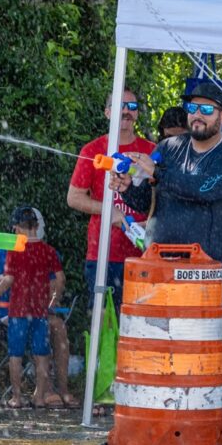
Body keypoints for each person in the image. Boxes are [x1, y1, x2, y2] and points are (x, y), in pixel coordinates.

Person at [110, 82, 222, 407]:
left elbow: (203, 189)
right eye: (192, 109)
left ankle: (198, 424)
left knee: (197, 362)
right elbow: (153, 196)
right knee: (158, 357)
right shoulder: (169, 147)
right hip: (158, 269)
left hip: (207, 274)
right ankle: (158, 425)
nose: (197, 116)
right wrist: (127, 188)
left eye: (206, 110)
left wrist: (157, 173)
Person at [68, 89, 155, 308]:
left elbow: (161, 198)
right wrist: (110, 211)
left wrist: (150, 221)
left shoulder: (150, 151)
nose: (127, 111)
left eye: (132, 107)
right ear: (107, 113)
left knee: (140, 324)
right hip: (103, 254)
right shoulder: (92, 150)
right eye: (120, 106)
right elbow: (74, 198)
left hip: (144, 252)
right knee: (103, 324)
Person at [0, 206, 65, 409]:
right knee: (41, 354)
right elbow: (60, 278)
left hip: (18, 312)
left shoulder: (15, 250)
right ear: (37, 227)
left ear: (16, 229)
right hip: (39, 312)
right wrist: (54, 298)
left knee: (15, 355)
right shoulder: (48, 251)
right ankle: (39, 398)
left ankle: (17, 397)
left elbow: (9, 279)